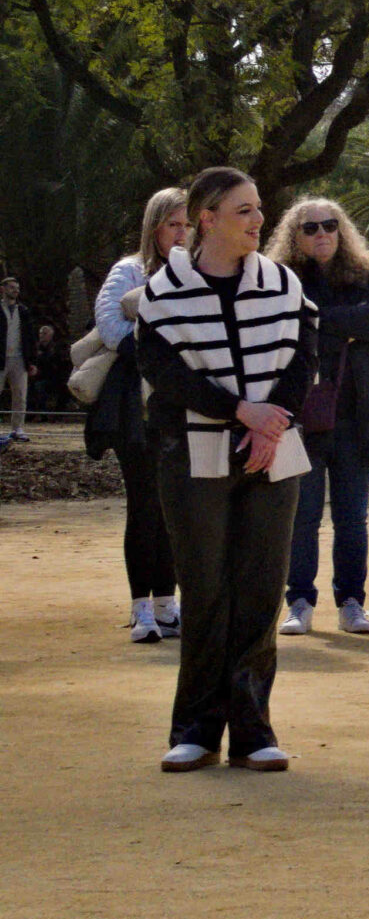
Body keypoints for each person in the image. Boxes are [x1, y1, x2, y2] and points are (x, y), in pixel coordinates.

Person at [136, 168, 316, 773]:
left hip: (275, 453)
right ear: (206, 217)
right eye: (244, 210)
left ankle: (254, 732)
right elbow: (166, 376)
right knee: (207, 590)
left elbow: (302, 358)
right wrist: (240, 411)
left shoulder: (283, 284)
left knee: (262, 589)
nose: (259, 220)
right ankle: (194, 729)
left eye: (259, 208)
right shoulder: (163, 291)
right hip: (193, 456)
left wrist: (274, 425)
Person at [268, 200, 369, 637]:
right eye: (311, 228)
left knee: (352, 518)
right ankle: (300, 601)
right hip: (301, 417)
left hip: (354, 418)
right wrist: (341, 325)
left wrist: (316, 320)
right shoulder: (280, 280)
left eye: (330, 225)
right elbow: (281, 326)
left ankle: (351, 602)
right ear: (295, 235)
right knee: (302, 517)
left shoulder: (362, 277)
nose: (322, 233)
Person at [93, 189, 188, 643]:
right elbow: (111, 327)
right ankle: (141, 608)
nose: (183, 233)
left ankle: (169, 605)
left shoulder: (199, 272)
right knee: (145, 505)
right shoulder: (129, 270)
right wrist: (161, 349)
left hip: (182, 407)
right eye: (174, 224)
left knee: (175, 507)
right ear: (156, 228)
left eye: (189, 225)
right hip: (137, 407)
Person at [0, 276, 25, 444]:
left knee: (20, 394)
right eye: (11, 287)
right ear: (3, 289)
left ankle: (18, 428)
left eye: (17, 287)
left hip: (19, 358)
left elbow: (29, 337)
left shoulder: (23, 310)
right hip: (1, 357)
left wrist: (31, 361)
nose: (15, 290)